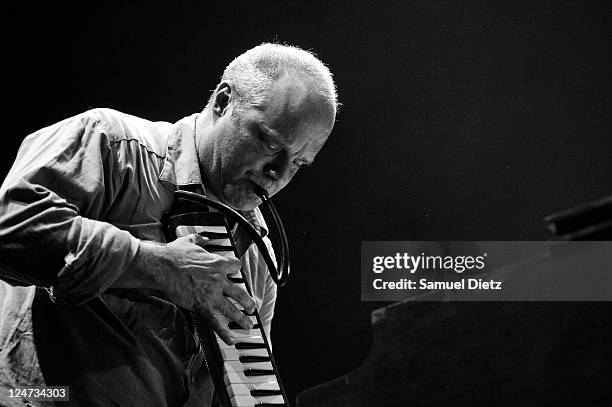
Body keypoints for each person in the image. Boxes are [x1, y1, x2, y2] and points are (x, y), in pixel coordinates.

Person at [0, 43, 338, 406]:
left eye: (299, 163)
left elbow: (247, 390)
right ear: (223, 102)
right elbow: (10, 228)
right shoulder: (112, 143)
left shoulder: (258, 251)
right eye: (271, 144)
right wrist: (158, 266)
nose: (279, 174)